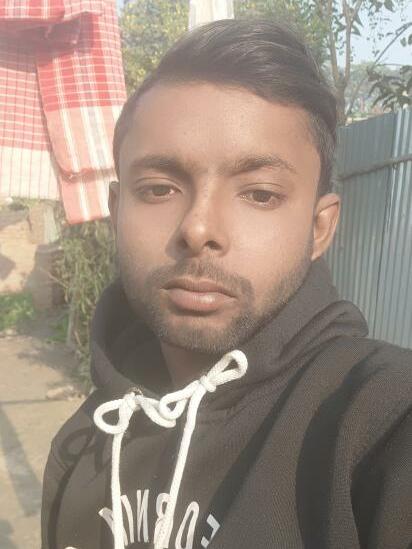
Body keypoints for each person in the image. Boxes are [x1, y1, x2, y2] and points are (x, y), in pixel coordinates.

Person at [41, 19, 412, 549]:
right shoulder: (83, 444)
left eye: (260, 194)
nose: (198, 229)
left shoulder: (381, 425)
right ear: (116, 211)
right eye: (159, 188)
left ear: (319, 228)